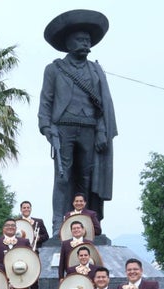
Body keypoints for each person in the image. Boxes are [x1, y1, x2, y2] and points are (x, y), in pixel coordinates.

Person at [38, 9, 117, 236]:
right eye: (81, 40)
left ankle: (87, 225)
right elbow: (46, 101)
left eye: (88, 40)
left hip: (90, 130)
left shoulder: (96, 70)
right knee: (63, 178)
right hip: (63, 128)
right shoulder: (54, 69)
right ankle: (58, 226)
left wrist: (102, 131)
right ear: (69, 42)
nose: (86, 44)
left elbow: (104, 105)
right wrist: (46, 127)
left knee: (86, 178)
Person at [17, 200, 50, 289]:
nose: (26, 209)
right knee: (20, 276)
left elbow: (46, 236)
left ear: (31, 209)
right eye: (24, 208)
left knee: (34, 278)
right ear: (21, 210)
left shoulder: (38, 221)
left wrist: (38, 237)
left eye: (28, 207)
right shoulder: (16, 223)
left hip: (33, 251)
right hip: (20, 253)